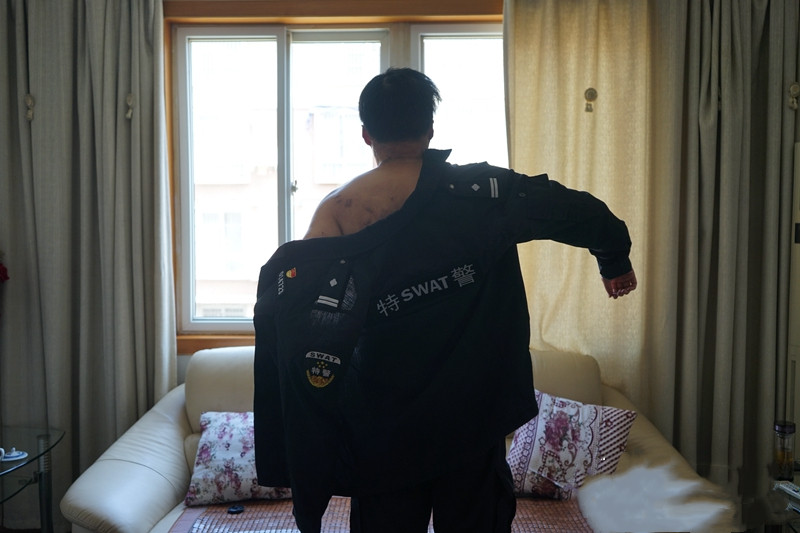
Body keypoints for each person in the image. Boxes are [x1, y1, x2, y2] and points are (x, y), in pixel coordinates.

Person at [253, 67, 637, 533]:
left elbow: (306, 317)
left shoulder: (338, 210)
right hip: (472, 419)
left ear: (366, 133)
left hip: (383, 427)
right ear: (430, 129)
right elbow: (578, 210)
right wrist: (614, 260)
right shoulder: (485, 193)